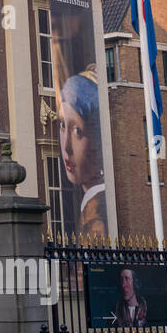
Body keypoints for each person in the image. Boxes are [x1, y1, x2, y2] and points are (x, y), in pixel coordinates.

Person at [58, 66, 108, 238]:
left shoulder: (97, 219)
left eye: (78, 131)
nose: (66, 147)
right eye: (63, 125)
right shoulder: (89, 206)